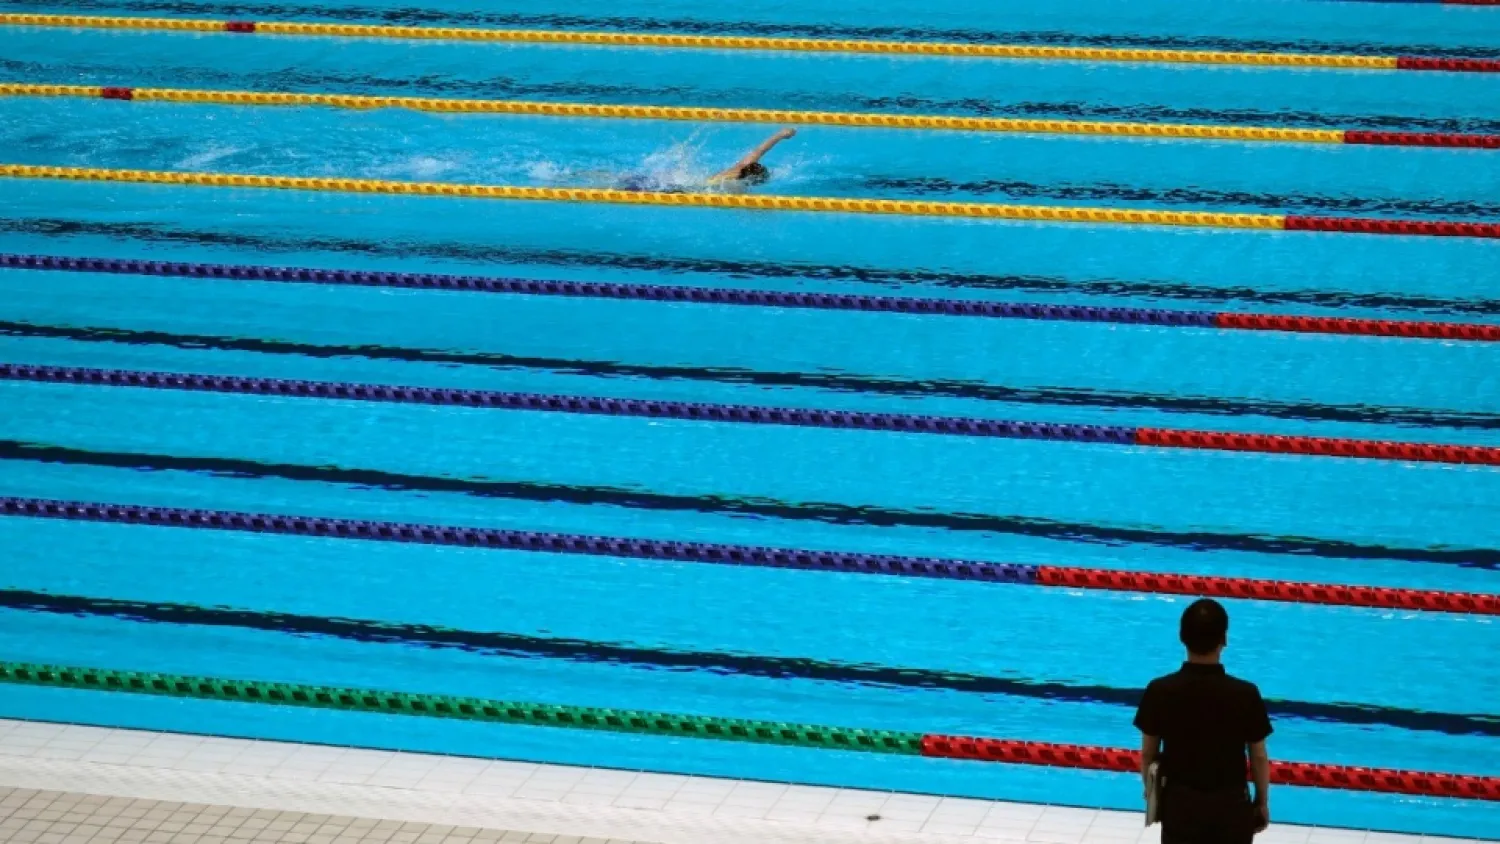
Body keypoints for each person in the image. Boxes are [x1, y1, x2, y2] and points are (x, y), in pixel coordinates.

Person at [1134, 599, 1273, 844]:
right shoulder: (1245, 693)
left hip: (1181, 805)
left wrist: (1152, 793)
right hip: (1231, 806)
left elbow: (1148, 754)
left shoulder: (1160, 691)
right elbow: (1259, 756)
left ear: (1182, 637)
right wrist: (1261, 802)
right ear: (1224, 640)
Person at [707, 127, 797, 190]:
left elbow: (761, 149)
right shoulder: (733, 184)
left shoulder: (745, 164)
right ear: (750, 179)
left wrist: (780, 135)